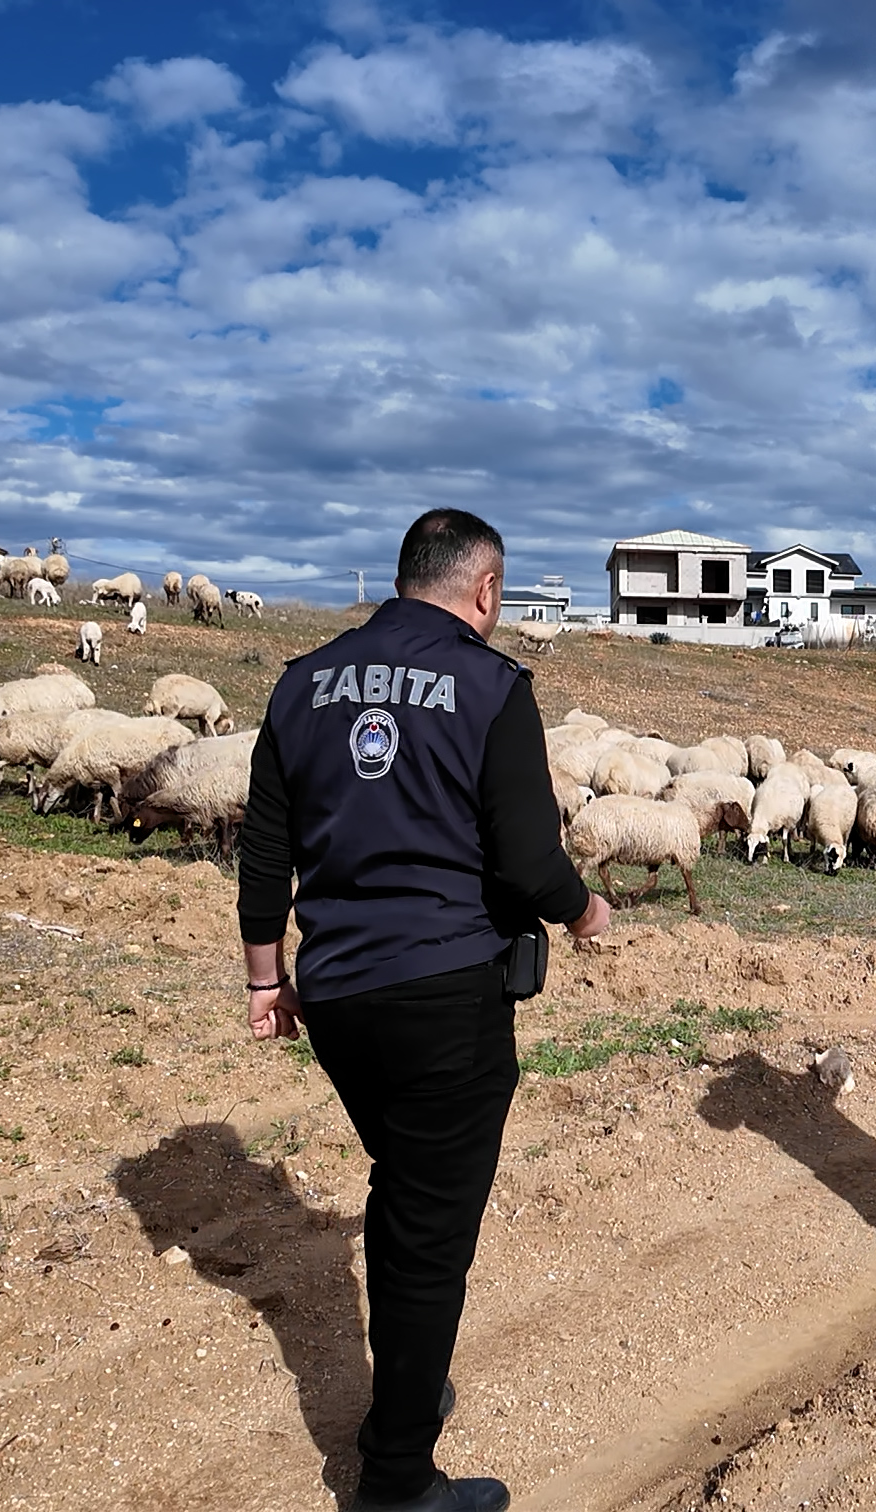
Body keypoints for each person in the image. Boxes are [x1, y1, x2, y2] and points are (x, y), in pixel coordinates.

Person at [236, 508, 611, 1512]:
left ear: (407, 577)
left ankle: (410, 1377)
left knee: (405, 1188)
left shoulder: (303, 680)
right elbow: (530, 858)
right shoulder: (492, 686)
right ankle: (398, 1478)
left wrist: (267, 981)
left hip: (341, 997)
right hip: (447, 994)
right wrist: (583, 909)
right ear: (484, 590)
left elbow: (265, 849)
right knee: (427, 1237)